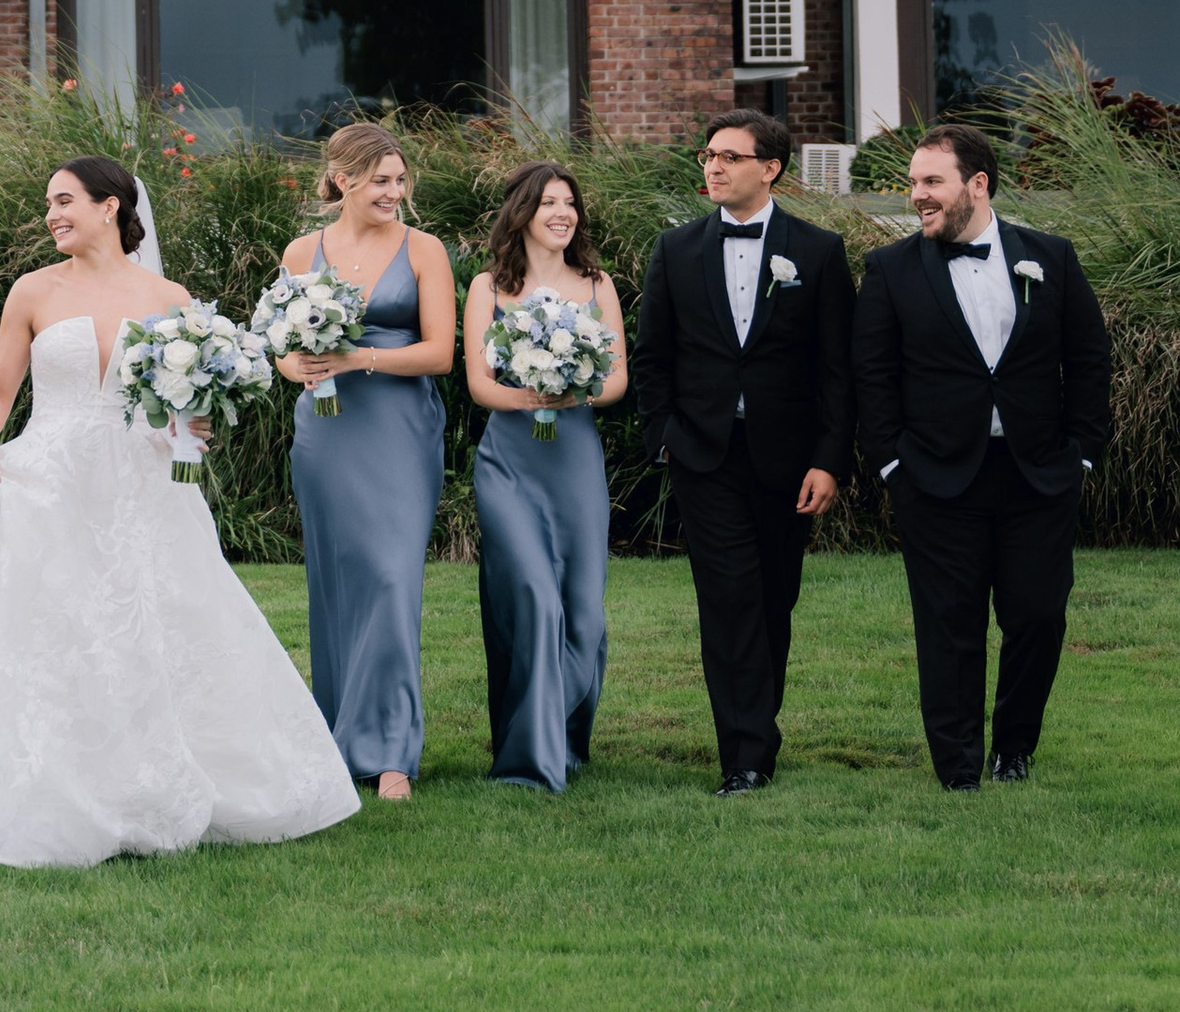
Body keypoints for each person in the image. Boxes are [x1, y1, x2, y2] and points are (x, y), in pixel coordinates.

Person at [0, 156, 359, 867]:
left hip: (143, 477)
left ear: (110, 207)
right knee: (63, 628)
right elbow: (0, 389)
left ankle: (161, 780)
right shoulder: (32, 291)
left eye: (64, 201)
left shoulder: (168, 296)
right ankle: (57, 784)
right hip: (51, 475)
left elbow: (189, 397)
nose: (51, 215)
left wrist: (197, 423)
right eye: (47, 204)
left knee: (160, 619)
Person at [854, 122, 1111, 792]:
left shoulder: (1050, 255)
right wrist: (891, 465)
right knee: (948, 624)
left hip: (1037, 474)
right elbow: (872, 376)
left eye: (931, 182)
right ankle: (958, 765)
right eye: (913, 183)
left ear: (978, 184)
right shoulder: (890, 269)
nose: (917, 196)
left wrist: (1081, 455)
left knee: (1037, 615)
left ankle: (1014, 747)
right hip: (934, 477)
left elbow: (1087, 361)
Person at [631, 108, 855, 794]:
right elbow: (652, 358)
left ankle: (759, 726)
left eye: (730, 156)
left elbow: (838, 370)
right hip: (704, 454)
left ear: (771, 168)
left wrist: (829, 459)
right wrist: (665, 436)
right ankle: (745, 755)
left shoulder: (817, 253)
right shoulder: (675, 249)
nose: (714, 167)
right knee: (727, 599)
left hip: (789, 461)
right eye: (708, 156)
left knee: (773, 599)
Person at [274, 119, 457, 799]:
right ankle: (341, 739)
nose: (394, 191)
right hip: (326, 430)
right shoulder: (301, 252)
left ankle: (391, 754)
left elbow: (440, 352)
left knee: (390, 577)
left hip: (400, 429)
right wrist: (298, 367)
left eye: (400, 180)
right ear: (342, 179)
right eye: (381, 180)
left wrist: (358, 356)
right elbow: (281, 343)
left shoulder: (424, 249)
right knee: (338, 583)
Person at [464, 165, 626, 792]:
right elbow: (479, 384)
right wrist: (530, 398)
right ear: (523, 212)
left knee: (581, 609)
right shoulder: (488, 287)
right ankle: (528, 758)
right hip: (509, 461)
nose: (564, 212)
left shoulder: (596, 284)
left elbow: (615, 379)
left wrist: (574, 389)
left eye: (571, 203)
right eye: (550, 202)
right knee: (531, 594)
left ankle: (561, 735)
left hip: (574, 458)